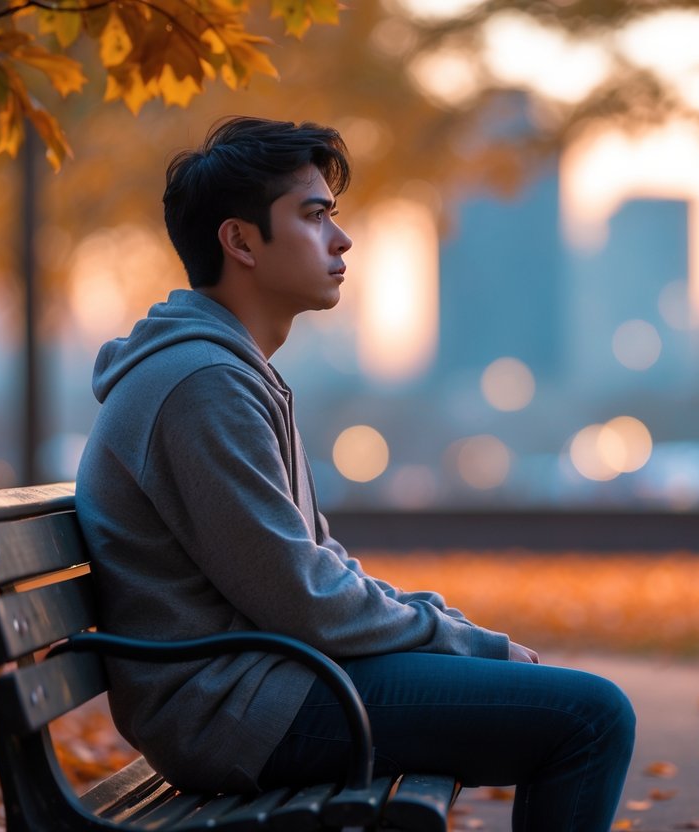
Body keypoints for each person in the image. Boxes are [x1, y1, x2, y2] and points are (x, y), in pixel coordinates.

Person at [75, 116, 635, 831]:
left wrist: (446, 626)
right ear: (240, 240)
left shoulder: (225, 372)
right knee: (590, 717)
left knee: (567, 706)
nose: (340, 240)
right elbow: (302, 595)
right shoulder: (202, 384)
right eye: (313, 217)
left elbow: (315, 566)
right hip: (239, 710)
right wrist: (468, 644)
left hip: (261, 685)